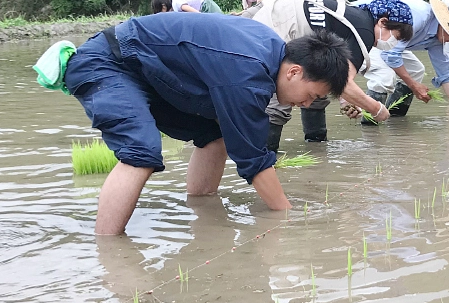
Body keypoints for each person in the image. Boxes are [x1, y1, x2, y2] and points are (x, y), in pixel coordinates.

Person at [62, 13, 351, 234]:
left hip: (149, 71)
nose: (308, 104)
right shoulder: (247, 75)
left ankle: (201, 208)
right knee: (142, 153)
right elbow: (253, 160)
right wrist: (289, 218)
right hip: (108, 63)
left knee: (216, 137)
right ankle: (108, 250)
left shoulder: (270, 51)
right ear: (295, 72)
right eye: (312, 95)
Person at [239, 0, 415, 149]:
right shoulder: (365, 32)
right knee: (281, 97)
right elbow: (345, 84)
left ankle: (316, 147)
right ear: (383, 22)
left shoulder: (354, 14)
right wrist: (376, 109)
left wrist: (346, 100)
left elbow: (333, 74)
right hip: (278, 25)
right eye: (396, 37)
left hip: (275, 9)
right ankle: (265, 160)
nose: (393, 43)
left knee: (317, 85)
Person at [355, 0, 449, 122]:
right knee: (384, 76)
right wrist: (414, 86)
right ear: (445, 24)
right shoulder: (419, 18)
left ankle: (394, 119)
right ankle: (370, 127)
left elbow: (446, 74)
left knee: (416, 70)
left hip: (389, 41)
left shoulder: (437, 38)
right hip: (363, 32)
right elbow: (390, 55)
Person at [150, 0, 222, 14]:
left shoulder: (177, 4)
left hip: (206, 5)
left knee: (218, 21)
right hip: (203, 8)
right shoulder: (174, 11)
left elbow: (197, 13)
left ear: (163, 7)